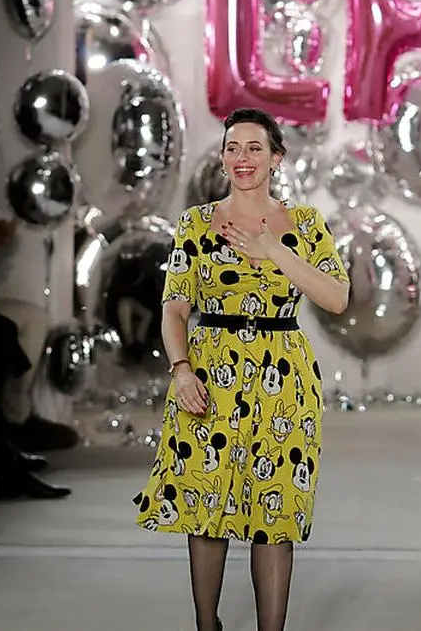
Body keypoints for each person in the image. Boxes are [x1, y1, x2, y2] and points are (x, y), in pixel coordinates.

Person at [132, 107, 350, 631]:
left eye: (255, 148)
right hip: (209, 376)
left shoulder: (303, 225)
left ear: (276, 158)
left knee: (273, 518)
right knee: (206, 510)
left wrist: (274, 249)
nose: (242, 158)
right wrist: (181, 370)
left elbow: (337, 298)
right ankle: (208, 626)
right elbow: (174, 308)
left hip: (283, 380)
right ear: (224, 157)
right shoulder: (196, 224)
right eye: (233, 147)